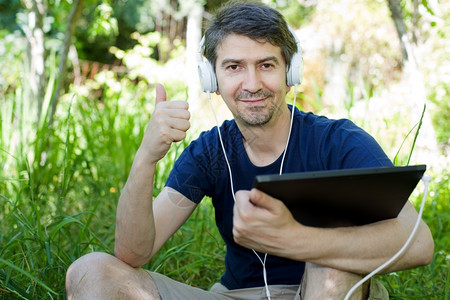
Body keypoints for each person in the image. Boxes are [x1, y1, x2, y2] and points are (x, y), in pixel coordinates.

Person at [65, 1, 434, 299]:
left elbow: (418, 244)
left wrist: (293, 239)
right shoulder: (210, 152)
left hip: (329, 291)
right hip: (237, 295)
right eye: (234, 67)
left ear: (291, 72)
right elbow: (133, 254)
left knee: (331, 266)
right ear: (213, 78)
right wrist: (146, 156)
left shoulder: (338, 142)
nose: (252, 83)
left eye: (267, 65)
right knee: (90, 272)